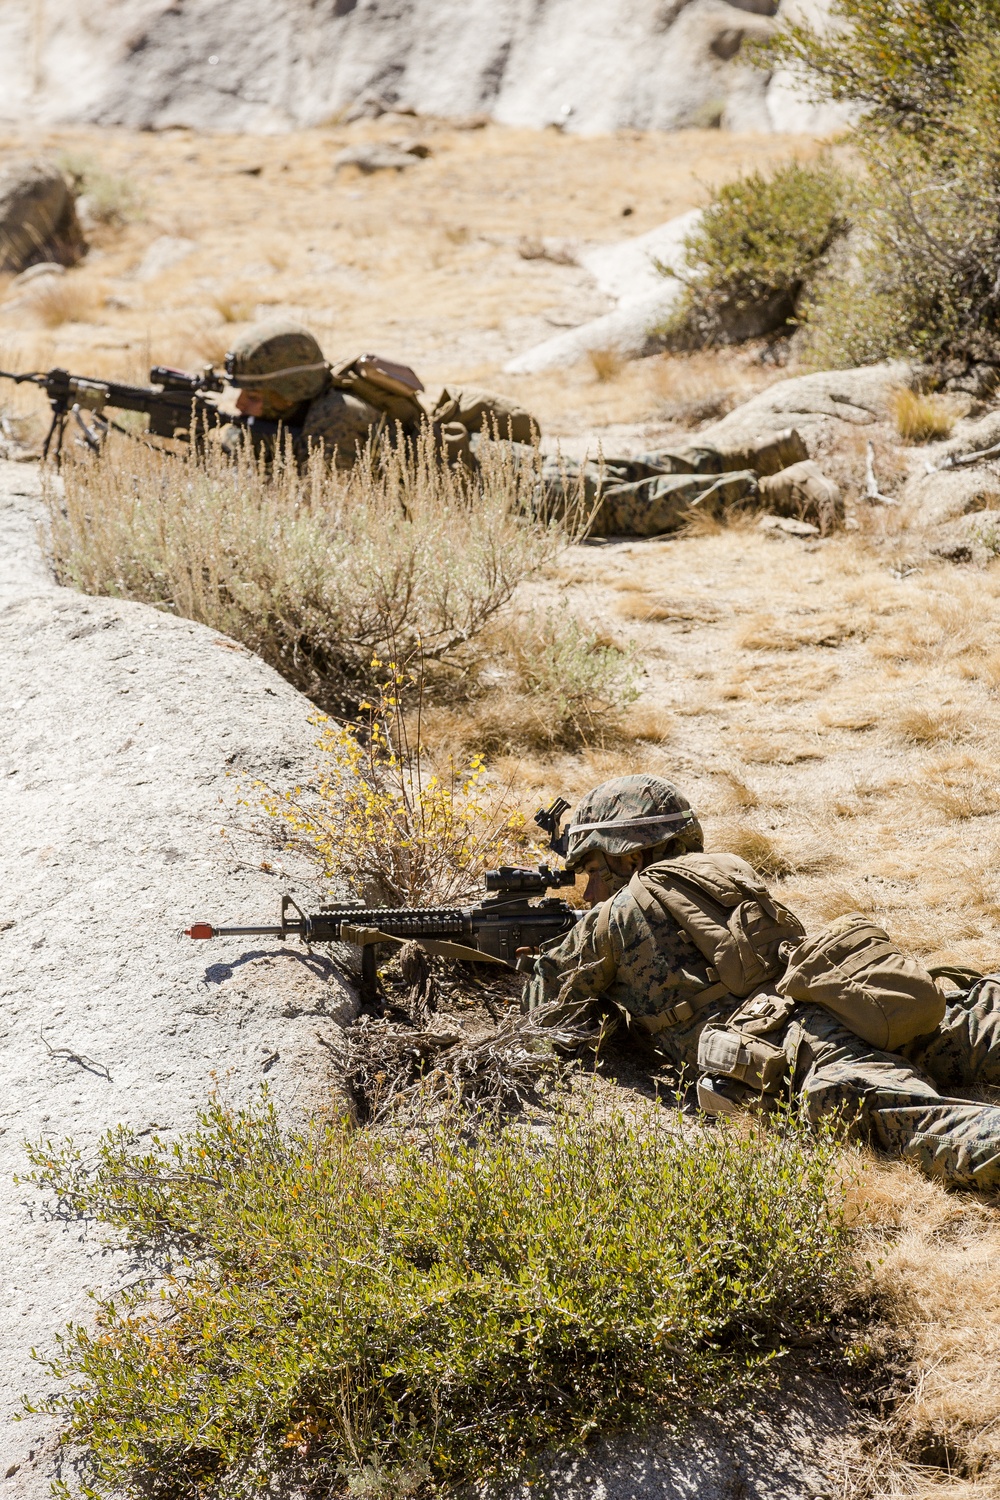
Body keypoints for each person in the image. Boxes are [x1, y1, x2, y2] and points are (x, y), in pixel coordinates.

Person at [524, 773, 1000, 1192]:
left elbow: (544, 1013)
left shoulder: (614, 918)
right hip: (856, 1001)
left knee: (929, 1128)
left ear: (632, 858)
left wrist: (532, 958)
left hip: (804, 1053)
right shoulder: (726, 869)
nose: (584, 891)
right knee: (980, 1022)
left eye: (590, 869)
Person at [220, 320, 827, 536]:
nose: (244, 407)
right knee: (625, 469)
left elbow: (320, 493)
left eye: (255, 393)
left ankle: (773, 489)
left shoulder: (334, 419)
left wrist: (232, 447)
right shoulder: (325, 402)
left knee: (630, 506)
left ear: (290, 389)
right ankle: (765, 449)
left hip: (506, 488)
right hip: (494, 463)